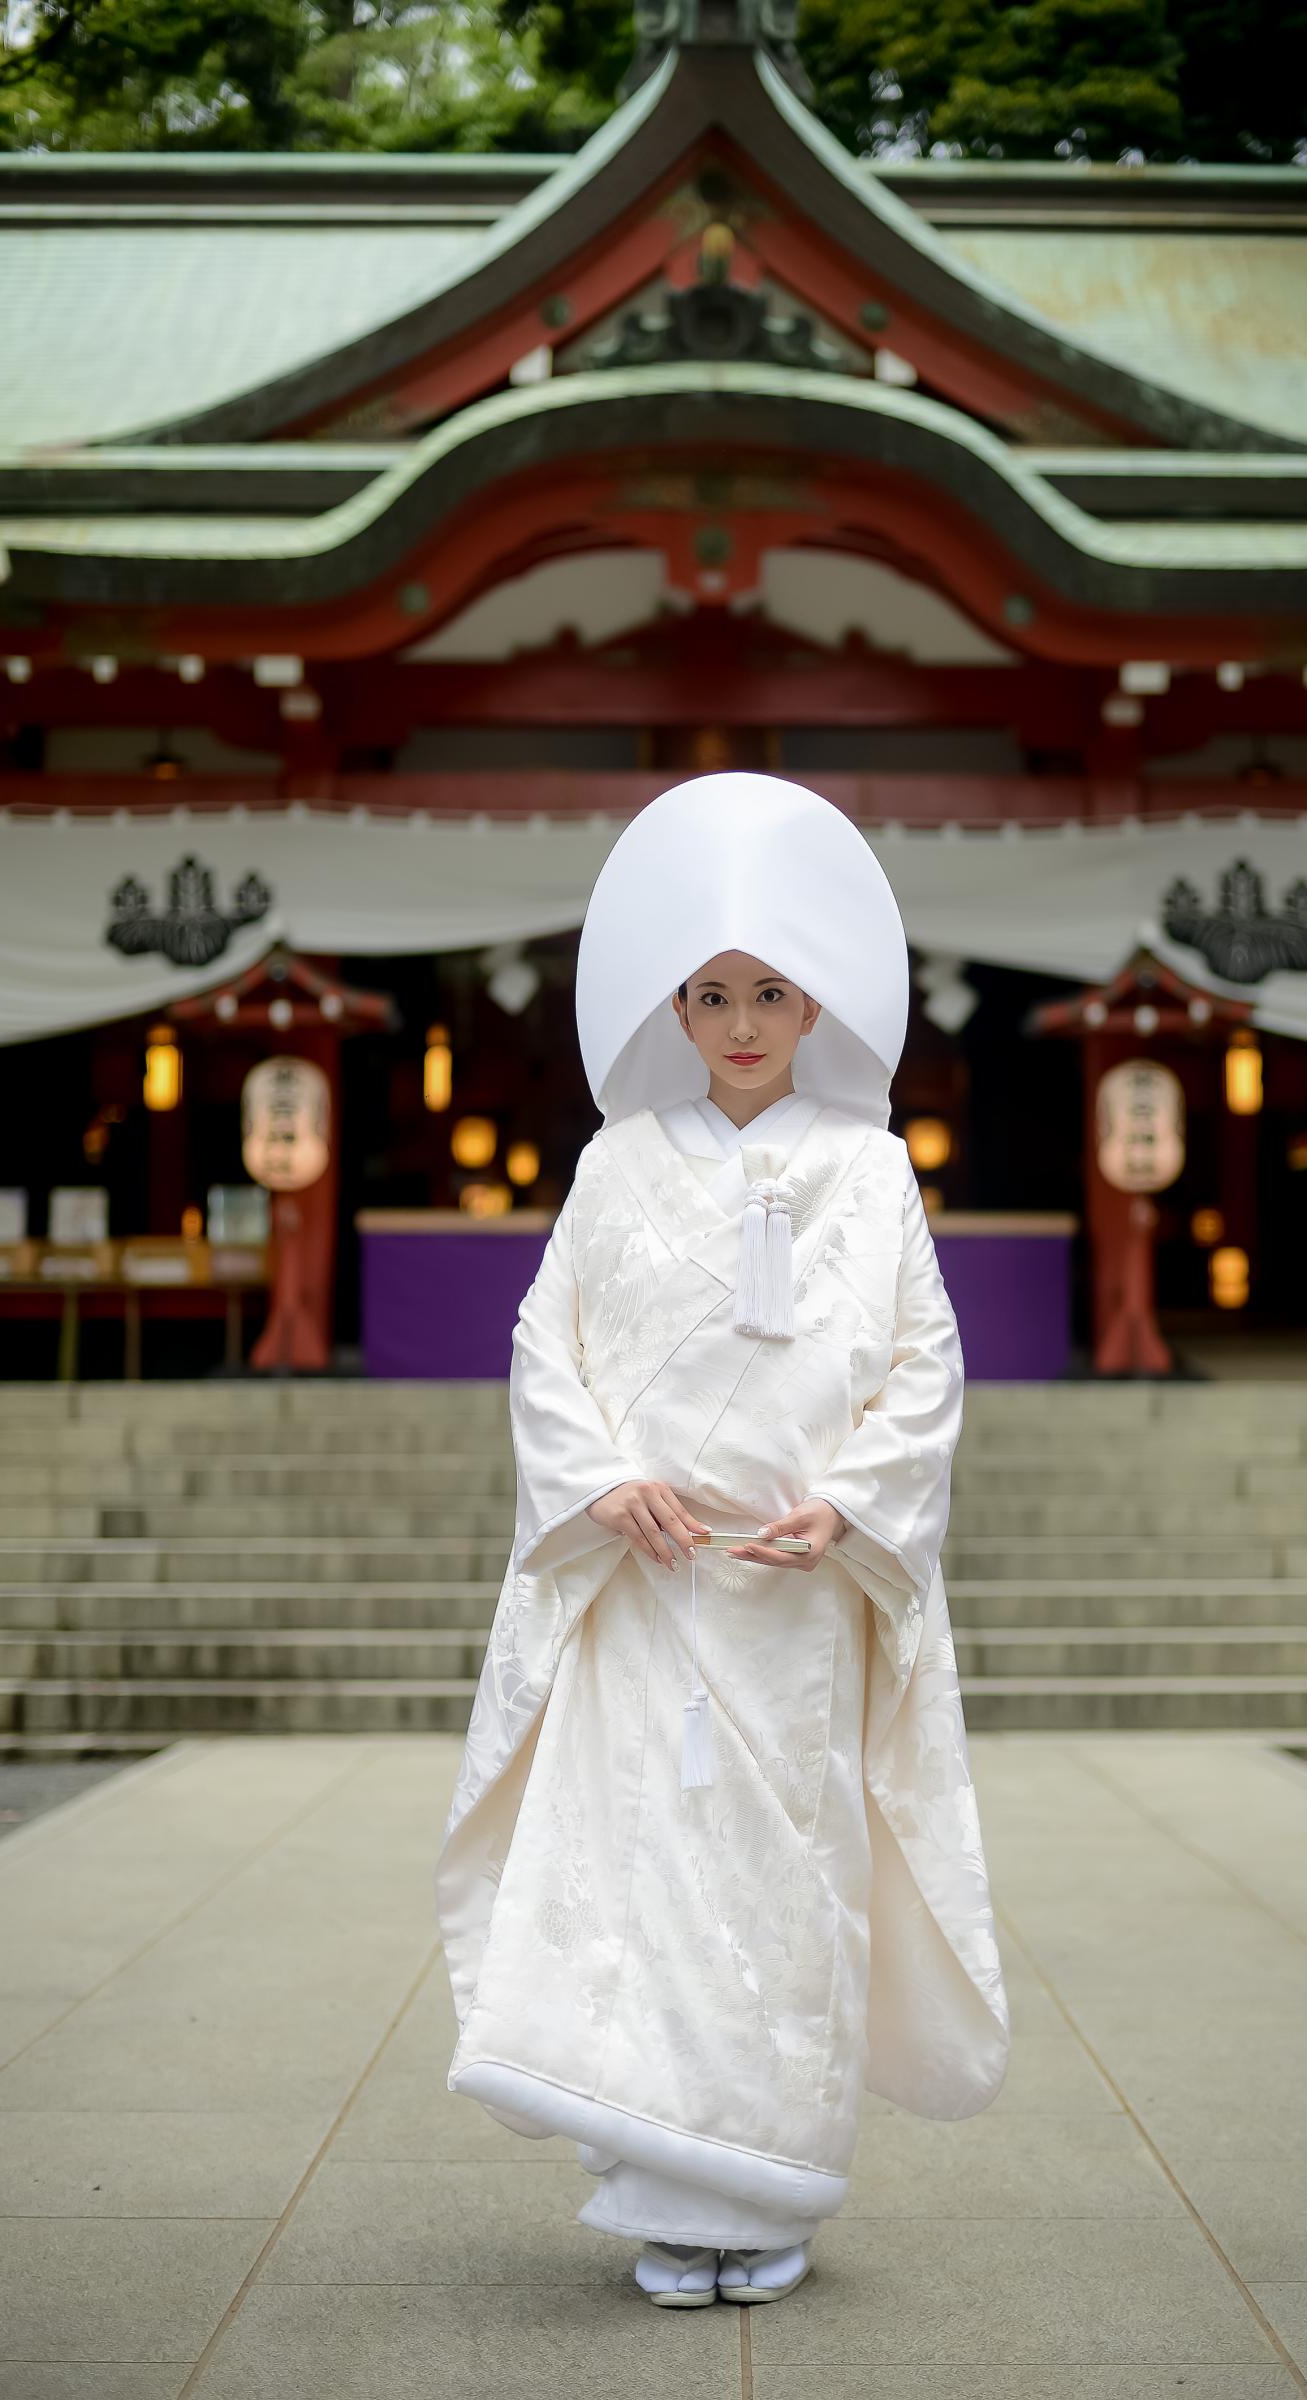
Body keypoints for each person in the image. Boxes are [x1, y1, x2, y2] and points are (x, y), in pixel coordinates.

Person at [434, 770, 1010, 2311]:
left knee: (786, 1881)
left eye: (768, 992)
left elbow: (923, 1364)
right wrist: (604, 1479)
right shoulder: (619, 1165)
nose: (743, 1022)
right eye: (711, 995)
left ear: (810, 1005)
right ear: (675, 1013)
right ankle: (662, 2195)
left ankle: (772, 2187)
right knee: (644, 1872)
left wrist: (859, 1504)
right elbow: (542, 1345)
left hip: (790, 1593)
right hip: (652, 1579)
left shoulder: (871, 1168)